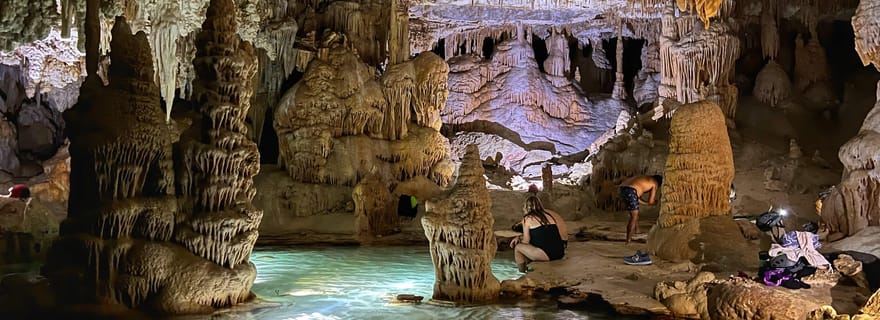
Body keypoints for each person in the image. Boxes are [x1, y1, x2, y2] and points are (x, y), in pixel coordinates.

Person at [509, 196, 568, 272]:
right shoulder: (548, 216)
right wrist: (520, 237)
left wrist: (519, 240)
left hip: (547, 254)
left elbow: (526, 241)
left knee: (518, 248)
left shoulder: (527, 218)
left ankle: (522, 272)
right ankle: (529, 268)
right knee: (530, 247)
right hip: (560, 252)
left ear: (526, 207)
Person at [618, 175, 662, 244]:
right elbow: (651, 201)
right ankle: (628, 240)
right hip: (631, 191)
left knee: (635, 213)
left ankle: (637, 231)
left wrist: (646, 203)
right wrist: (656, 202)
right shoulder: (654, 184)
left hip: (622, 188)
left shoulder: (644, 178)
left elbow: (637, 198)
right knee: (634, 217)